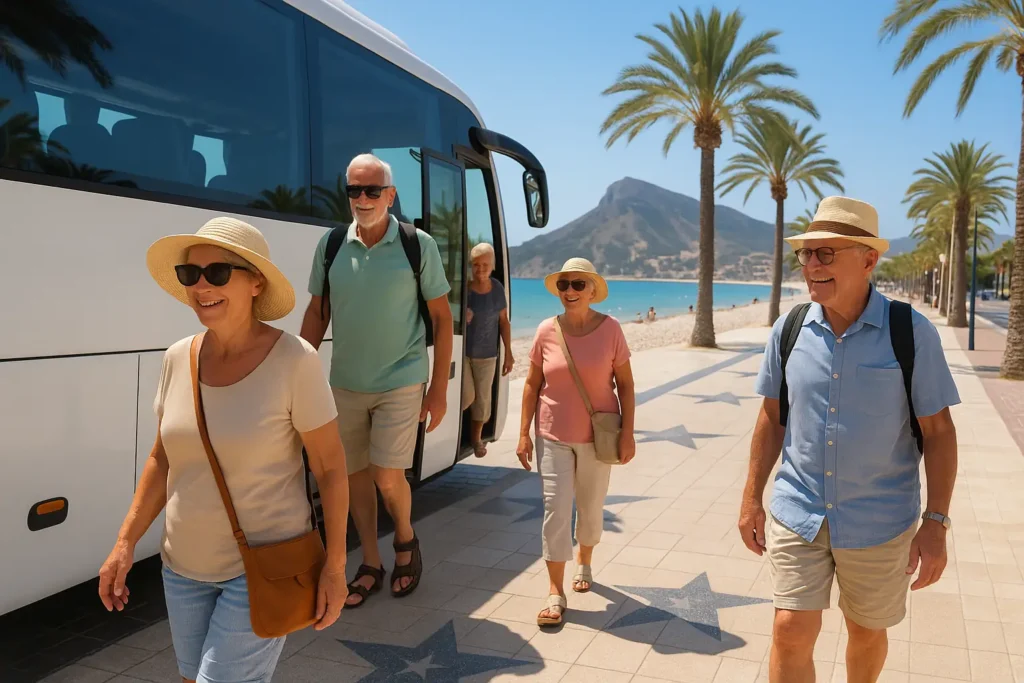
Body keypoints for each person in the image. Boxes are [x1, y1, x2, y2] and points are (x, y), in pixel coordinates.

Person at [99, 217, 351, 683]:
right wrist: (125, 541)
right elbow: (162, 458)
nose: (201, 286)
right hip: (181, 569)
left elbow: (332, 469)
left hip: (263, 569)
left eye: (218, 273)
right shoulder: (178, 357)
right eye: (190, 274)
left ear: (256, 282)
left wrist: (335, 569)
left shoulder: (296, 361)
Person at [738, 196, 960, 683]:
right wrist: (751, 497)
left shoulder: (911, 333)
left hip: (880, 521)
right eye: (806, 254)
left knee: (865, 632)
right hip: (799, 511)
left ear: (868, 259)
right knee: (789, 630)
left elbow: (939, 433)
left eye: (826, 254)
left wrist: (937, 523)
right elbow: (771, 418)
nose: (811, 266)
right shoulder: (789, 329)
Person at [300, 153, 453, 607]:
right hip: (345, 383)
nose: (362, 199)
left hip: (401, 380)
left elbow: (442, 320)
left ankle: (405, 539)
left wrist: (440, 389)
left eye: (371, 191)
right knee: (353, 479)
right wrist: (299, 373)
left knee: (388, 475)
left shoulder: (416, 244)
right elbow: (316, 312)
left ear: (390, 194)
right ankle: (370, 560)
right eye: (354, 191)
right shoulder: (330, 246)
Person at [516, 258, 636, 627]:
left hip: (597, 439)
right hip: (551, 435)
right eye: (564, 284)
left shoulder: (611, 329)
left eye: (578, 285)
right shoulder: (545, 331)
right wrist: (523, 433)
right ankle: (555, 591)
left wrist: (628, 432)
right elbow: (532, 384)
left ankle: (584, 559)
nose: (569, 291)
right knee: (555, 509)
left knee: (591, 508)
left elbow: (626, 385)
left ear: (592, 291)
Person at [463, 242, 513, 457]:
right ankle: (454, 432)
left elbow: (503, 322)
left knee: (483, 401)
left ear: (492, 265)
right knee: (466, 397)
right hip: (463, 355)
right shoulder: (465, 289)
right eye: (476, 264)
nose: (480, 269)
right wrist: (461, 317)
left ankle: (476, 439)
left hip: (488, 355)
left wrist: (508, 353)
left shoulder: (497, 289)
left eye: (485, 264)